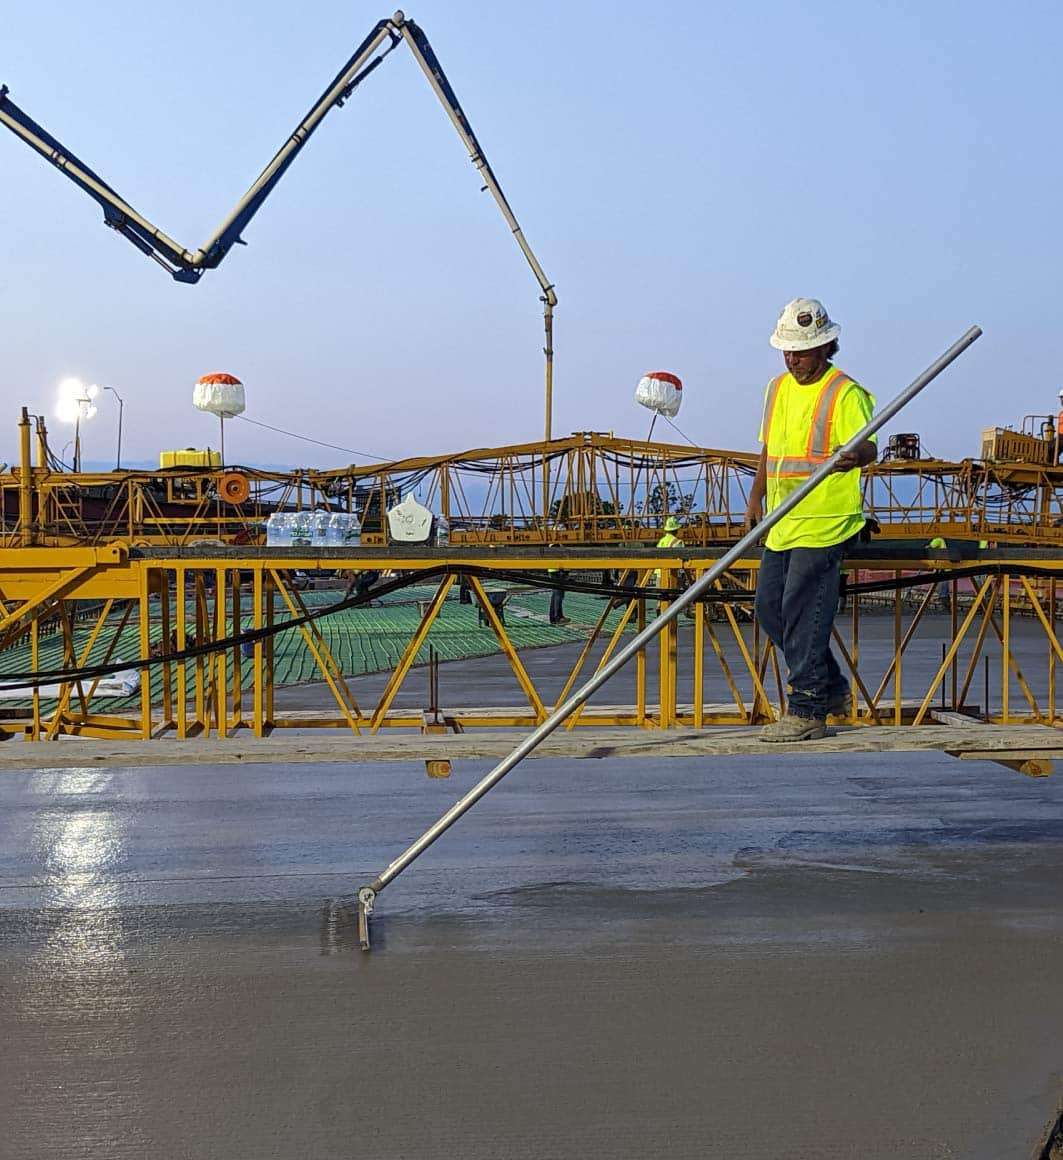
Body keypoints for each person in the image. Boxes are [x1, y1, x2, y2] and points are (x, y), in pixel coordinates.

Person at [743, 298, 877, 742]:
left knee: (803, 610)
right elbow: (769, 451)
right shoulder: (776, 389)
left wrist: (855, 455)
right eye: (787, 350)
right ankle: (831, 686)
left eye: (800, 351)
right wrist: (755, 499)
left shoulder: (845, 392)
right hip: (783, 520)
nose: (792, 358)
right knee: (768, 608)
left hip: (827, 519)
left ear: (825, 347)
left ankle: (806, 709)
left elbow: (869, 448)